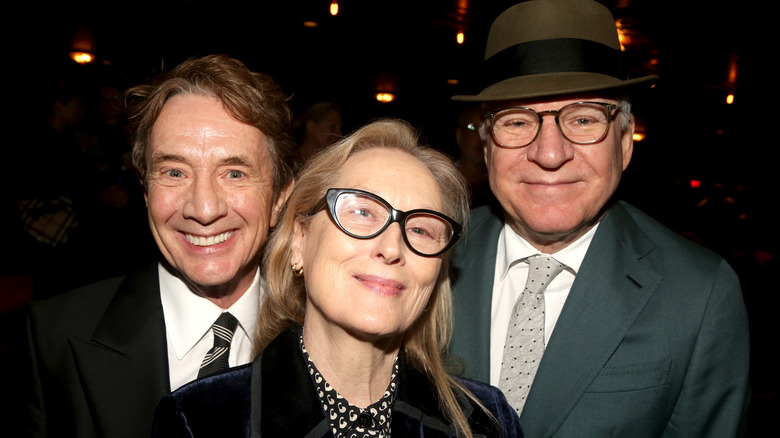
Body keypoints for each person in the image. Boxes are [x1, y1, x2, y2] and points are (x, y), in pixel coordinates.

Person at [447, 1, 750, 437]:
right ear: (488, 145)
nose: (550, 154)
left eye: (584, 118)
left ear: (625, 141)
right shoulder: (427, 255)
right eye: (516, 122)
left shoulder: (700, 294)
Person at [152, 119, 524, 438]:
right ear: (299, 239)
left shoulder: (487, 421)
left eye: (423, 230)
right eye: (362, 212)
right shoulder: (201, 419)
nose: (392, 247)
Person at [23, 54, 298, 438]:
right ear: (146, 190)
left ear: (280, 199)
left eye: (234, 173)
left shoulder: (327, 341)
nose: (203, 209)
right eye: (174, 172)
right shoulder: (55, 339)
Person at [454, 104, 494, 207]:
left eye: (487, 129)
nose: (481, 137)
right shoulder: (439, 178)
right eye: (473, 128)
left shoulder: (499, 187)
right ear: (459, 136)